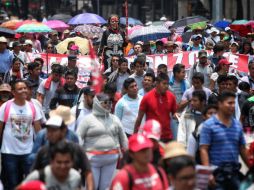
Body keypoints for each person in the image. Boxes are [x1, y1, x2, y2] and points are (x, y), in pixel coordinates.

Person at [199, 91, 250, 190]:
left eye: (233, 103)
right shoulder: (209, 125)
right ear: (220, 104)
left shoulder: (237, 126)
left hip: (234, 173)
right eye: (229, 103)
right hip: (216, 174)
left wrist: (251, 167)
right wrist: (208, 173)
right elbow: (203, 149)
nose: (232, 106)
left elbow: (242, 149)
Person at [77, 93, 128, 190]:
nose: (108, 104)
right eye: (105, 102)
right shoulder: (87, 120)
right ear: (97, 103)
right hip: (92, 161)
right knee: (93, 187)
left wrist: (129, 154)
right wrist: (79, 158)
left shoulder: (115, 119)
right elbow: (78, 138)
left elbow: (123, 137)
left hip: (111, 159)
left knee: (105, 188)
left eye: (110, 102)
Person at [0, 80, 42, 190]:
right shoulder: (5, 107)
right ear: (13, 92)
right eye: (20, 89)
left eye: (25, 88)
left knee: (29, 182)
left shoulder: (33, 107)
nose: (24, 90)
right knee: (12, 183)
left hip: (28, 152)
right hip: (9, 152)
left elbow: (38, 130)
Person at [134, 73, 177, 142]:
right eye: (164, 84)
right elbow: (139, 119)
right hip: (151, 137)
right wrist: (135, 137)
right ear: (157, 83)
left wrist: (177, 116)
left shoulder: (171, 96)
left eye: (167, 84)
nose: (166, 86)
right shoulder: (147, 98)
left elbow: (175, 113)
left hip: (167, 137)